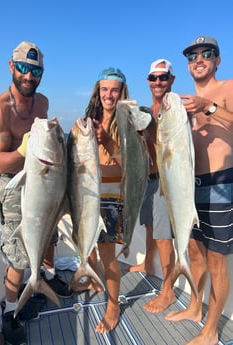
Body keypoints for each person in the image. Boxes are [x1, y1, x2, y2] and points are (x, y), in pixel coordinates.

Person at [0, 41, 72, 345]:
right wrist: (24, 149)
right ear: (12, 66)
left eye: (36, 71)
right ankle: (10, 311)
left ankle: (43, 280)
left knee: (49, 235)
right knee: (20, 258)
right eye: (23, 68)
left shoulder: (42, 103)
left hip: (42, 180)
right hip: (12, 185)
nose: (29, 76)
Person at [165, 36, 233, 345]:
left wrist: (210, 106)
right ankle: (195, 308)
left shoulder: (228, 88)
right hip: (190, 189)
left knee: (217, 262)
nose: (199, 58)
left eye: (207, 53)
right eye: (192, 56)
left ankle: (211, 330)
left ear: (218, 60)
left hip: (221, 184)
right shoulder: (185, 103)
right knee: (194, 253)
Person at [73, 67, 129, 333]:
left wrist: (106, 140)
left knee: (108, 255)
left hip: (110, 196)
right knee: (90, 246)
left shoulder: (126, 122)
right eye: (104, 89)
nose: (108, 95)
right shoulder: (89, 120)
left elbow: (127, 168)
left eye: (114, 90)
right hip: (87, 195)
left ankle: (113, 305)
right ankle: (94, 281)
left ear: (121, 92)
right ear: (98, 91)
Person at [127, 59, 176, 313]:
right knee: (148, 225)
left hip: (166, 183)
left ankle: (167, 291)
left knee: (163, 236)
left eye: (163, 77)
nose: (158, 82)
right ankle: (147, 264)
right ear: (148, 81)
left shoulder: (174, 108)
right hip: (147, 179)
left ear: (172, 79)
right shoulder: (146, 110)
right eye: (153, 78)